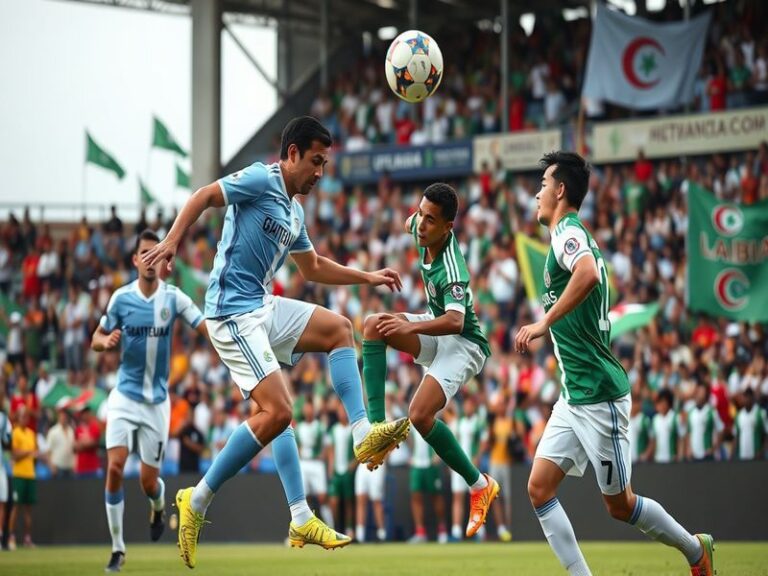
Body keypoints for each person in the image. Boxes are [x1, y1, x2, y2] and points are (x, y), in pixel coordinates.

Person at [142, 116, 409, 568]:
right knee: (279, 410)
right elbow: (204, 196)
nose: (320, 172)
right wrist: (171, 240)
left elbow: (313, 268)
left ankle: (357, 442)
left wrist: (366, 276)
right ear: (291, 155)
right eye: (316, 161)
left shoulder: (294, 211)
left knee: (339, 329)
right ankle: (199, 499)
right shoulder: (260, 179)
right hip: (230, 311)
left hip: (262, 307)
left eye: (325, 163)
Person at [516, 151, 714, 576]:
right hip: (574, 396)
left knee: (620, 505)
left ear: (561, 189)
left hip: (600, 396)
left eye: (543, 184)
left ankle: (696, 551)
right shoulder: (565, 234)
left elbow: (586, 273)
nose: (537, 193)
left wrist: (543, 321)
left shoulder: (568, 231)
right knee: (538, 488)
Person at [361, 182, 499, 538]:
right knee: (373, 325)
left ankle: (479, 484)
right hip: (436, 326)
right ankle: (377, 431)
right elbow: (409, 221)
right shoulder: (418, 226)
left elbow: (456, 321)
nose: (421, 225)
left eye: (430, 220)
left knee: (419, 415)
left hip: (464, 343)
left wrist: (410, 321)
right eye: (421, 214)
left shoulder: (452, 266)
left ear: (448, 227)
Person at [91, 229, 208, 572]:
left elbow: (203, 327)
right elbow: (96, 337)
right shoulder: (120, 299)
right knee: (114, 466)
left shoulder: (173, 298)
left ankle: (157, 507)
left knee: (147, 481)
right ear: (135, 260)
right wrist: (105, 341)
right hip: (124, 397)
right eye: (145, 253)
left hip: (157, 402)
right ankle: (117, 548)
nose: (150, 259)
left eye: (156, 253)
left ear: (163, 259)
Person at [295, 400, 334, 528]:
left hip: (317, 464)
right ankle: (304, 530)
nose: (308, 411)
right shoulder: (299, 428)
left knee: (323, 498)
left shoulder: (320, 427)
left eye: (310, 408)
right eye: (306, 408)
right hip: (304, 464)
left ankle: (331, 528)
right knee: (302, 501)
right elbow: (297, 447)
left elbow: (328, 446)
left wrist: (329, 467)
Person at [9, 407, 37, 550]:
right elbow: (15, 455)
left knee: (28, 509)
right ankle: (11, 537)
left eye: (26, 416)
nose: (25, 419)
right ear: (18, 418)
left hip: (30, 474)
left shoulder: (31, 434)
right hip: (19, 474)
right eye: (22, 416)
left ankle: (27, 539)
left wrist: (29, 453)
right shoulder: (15, 433)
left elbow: (35, 454)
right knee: (16, 507)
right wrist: (28, 452)